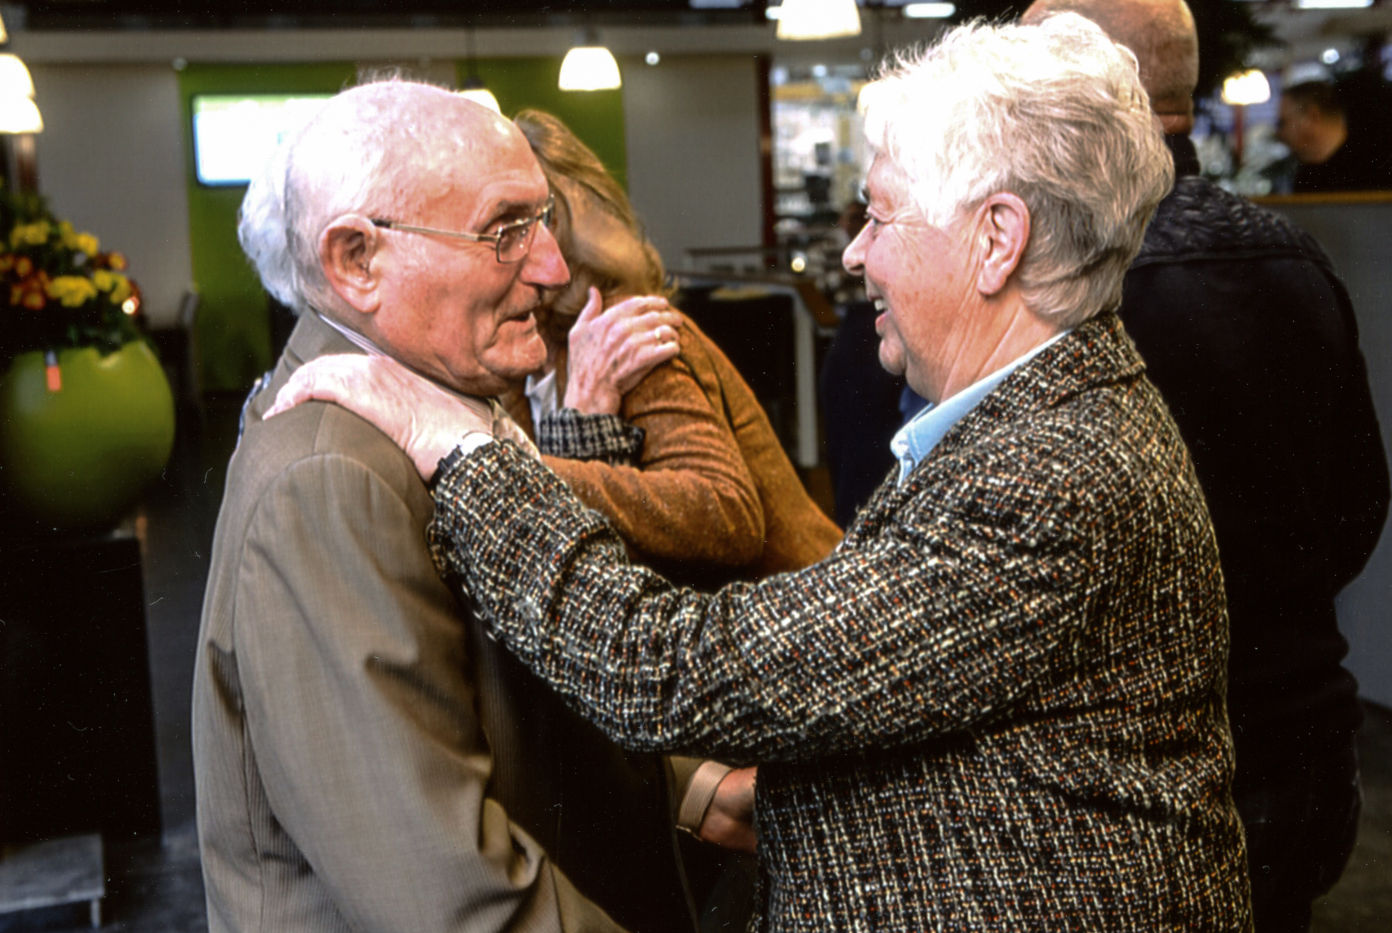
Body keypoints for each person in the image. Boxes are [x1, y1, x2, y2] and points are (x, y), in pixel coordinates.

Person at [269, 16, 1253, 931]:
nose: (857, 254)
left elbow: (665, 667)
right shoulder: (1039, 421)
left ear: (996, 239)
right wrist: (758, 799)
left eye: (880, 216)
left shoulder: (1044, 474)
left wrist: (472, 454)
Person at [192, 79, 710, 932]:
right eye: (505, 230)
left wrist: (685, 783)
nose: (550, 266)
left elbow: (512, 713)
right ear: (356, 260)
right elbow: (451, 900)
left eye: (541, 220)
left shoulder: (445, 392)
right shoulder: (332, 475)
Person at [1022, 2, 1391, 929]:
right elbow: (1356, 509)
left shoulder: (1053, 291)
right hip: (1305, 757)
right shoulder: (1296, 260)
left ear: (1078, 83)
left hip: (1126, 792)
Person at [507, 108, 840, 589]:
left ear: (561, 220)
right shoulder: (520, 344)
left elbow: (726, 515)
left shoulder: (624, 329)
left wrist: (529, 474)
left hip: (792, 625)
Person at [1277, 78, 1392, 193]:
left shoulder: (1374, 169)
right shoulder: (1305, 177)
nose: (1279, 133)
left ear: (1313, 117)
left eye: (1283, 123)